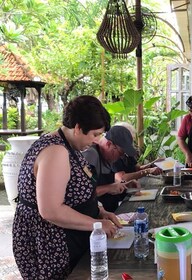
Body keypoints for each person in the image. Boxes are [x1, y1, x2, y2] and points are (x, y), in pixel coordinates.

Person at [12, 95, 121, 279]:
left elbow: (75, 191)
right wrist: (96, 224)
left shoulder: (70, 146)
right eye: (95, 134)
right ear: (78, 128)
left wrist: (99, 210)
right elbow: (51, 211)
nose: (96, 140)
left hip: (66, 238)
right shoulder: (56, 151)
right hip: (49, 243)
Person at [82, 125, 140, 212]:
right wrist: (108, 188)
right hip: (94, 216)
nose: (121, 157)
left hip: (110, 212)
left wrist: (124, 185)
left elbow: (109, 184)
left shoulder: (108, 157)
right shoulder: (91, 155)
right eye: (121, 153)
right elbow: (83, 192)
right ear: (109, 144)